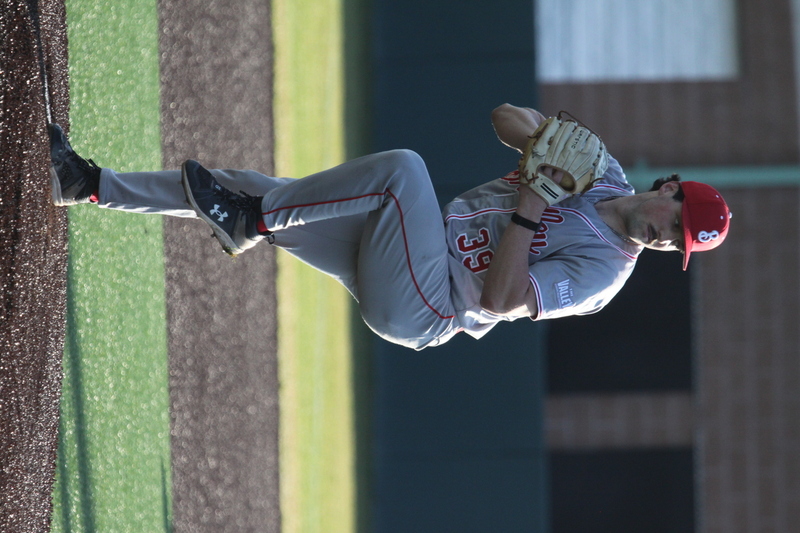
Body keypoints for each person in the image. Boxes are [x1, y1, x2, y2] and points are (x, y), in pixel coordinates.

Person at [48, 104, 731, 350]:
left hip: (430, 302)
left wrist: (533, 202)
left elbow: (498, 301)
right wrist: (545, 140)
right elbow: (503, 117)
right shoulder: (604, 169)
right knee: (255, 188)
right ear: (669, 188)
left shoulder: (604, 275)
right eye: (682, 219)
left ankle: (251, 222)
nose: (673, 236)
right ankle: (88, 185)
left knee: (403, 169)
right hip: (407, 246)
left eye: (683, 242)